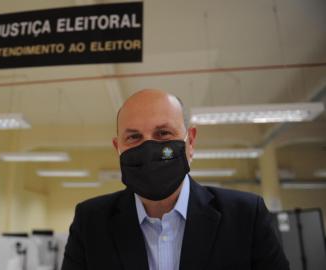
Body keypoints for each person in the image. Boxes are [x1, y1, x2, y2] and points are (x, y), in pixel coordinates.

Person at [61, 89, 289, 270]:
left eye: (163, 134)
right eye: (134, 137)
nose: (149, 148)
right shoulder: (90, 222)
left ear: (190, 141)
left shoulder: (246, 216)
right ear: (117, 147)